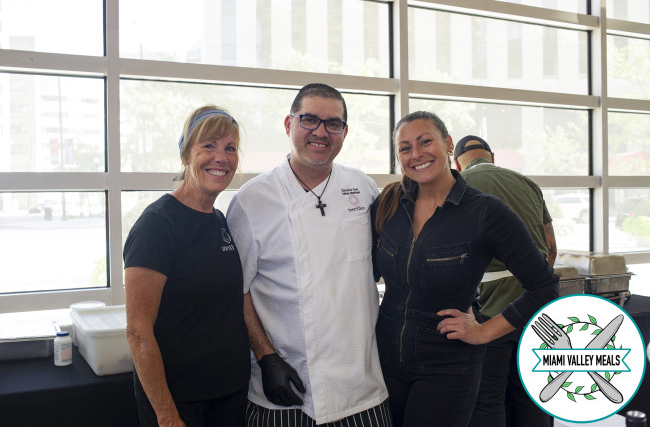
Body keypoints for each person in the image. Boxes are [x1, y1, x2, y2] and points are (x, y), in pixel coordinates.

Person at [371, 111, 559, 427]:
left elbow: (544, 286)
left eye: (425, 141)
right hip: (384, 361)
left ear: (448, 144)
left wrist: (484, 330)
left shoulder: (485, 212)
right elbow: (361, 271)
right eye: (405, 148)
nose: (416, 154)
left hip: (446, 368)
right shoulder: (389, 203)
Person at [226, 83, 391, 427]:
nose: (320, 132)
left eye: (333, 123)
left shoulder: (363, 188)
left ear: (345, 132)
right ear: (289, 124)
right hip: (284, 390)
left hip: (362, 388)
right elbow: (236, 290)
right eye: (309, 119)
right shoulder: (251, 200)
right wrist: (266, 357)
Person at [124, 106, 251, 427]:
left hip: (229, 394)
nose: (221, 157)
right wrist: (167, 415)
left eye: (230, 148)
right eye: (208, 145)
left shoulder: (220, 221)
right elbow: (138, 332)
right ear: (185, 154)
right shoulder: (157, 225)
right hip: (178, 402)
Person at [454, 135, 557, 427]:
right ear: (492, 157)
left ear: (457, 164)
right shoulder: (528, 184)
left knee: (487, 399)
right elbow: (551, 248)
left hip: (491, 311)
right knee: (535, 397)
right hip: (538, 310)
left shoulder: (459, 185)